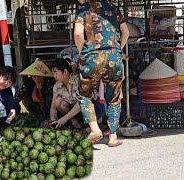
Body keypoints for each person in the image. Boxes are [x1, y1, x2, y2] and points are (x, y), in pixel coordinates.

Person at [73, 0, 129, 147]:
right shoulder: (113, 8)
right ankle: (113, 137)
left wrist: (82, 54)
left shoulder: (83, 10)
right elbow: (126, 32)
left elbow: (78, 34)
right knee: (114, 97)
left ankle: (95, 129)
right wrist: (117, 50)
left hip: (91, 57)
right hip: (114, 58)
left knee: (84, 95)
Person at [50, 58, 103, 142]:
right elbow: (53, 106)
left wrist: (64, 119)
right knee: (58, 102)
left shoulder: (78, 80)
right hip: (76, 114)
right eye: (53, 73)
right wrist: (52, 121)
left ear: (65, 72)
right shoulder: (57, 86)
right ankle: (77, 125)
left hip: (92, 109)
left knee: (83, 103)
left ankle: (94, 125)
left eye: (56, 72)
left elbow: (82, 102)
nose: (54, 76)